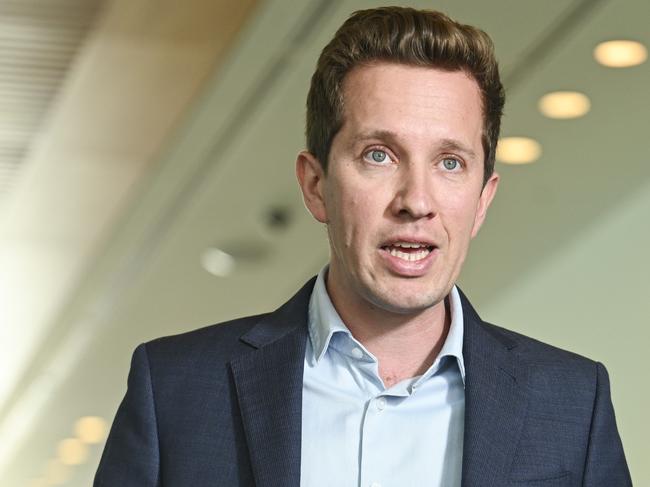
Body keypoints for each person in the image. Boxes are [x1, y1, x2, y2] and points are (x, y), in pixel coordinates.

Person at [94, 7, 631, 487]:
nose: (416, 201)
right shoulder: (175, 391)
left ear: (483, 199)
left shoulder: (572, 404)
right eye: (379, 155)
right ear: (316, 185)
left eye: (450, 162)